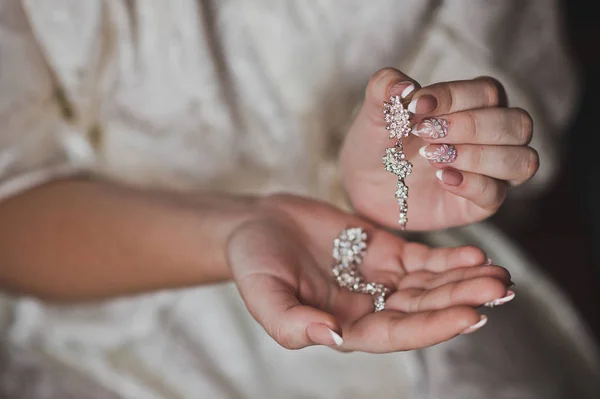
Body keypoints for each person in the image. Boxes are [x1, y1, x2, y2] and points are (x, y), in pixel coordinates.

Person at [0, 1, 598, 398]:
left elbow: (504, 119)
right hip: (109, 302)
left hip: (396, 268)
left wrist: (411, 174)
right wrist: (240, 230)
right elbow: (12, 213)